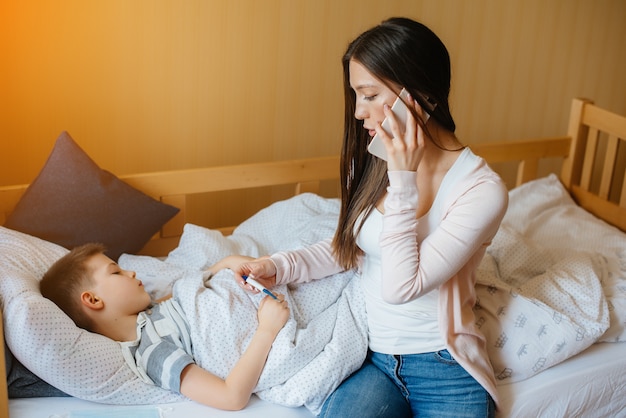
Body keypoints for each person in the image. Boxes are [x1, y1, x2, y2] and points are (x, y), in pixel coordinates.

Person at [211, 17, 508, 418]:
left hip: (445, 368)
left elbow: (403, 286)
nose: (358, 112)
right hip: (376, 361)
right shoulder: (372, 163)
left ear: (418, 94)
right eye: (356, 95)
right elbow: (350, 249)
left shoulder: (481, 189)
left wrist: (404, 179)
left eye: (369, 95)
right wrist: (277, 266)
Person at [39, 243, 290, 411]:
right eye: (116, 272)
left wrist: (235, 263)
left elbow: (209, 275)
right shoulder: (152, 352)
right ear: (93, 300)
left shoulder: (153, 310)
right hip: (270, 321)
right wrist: (267, 329)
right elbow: (231, 397)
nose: (132, 273)